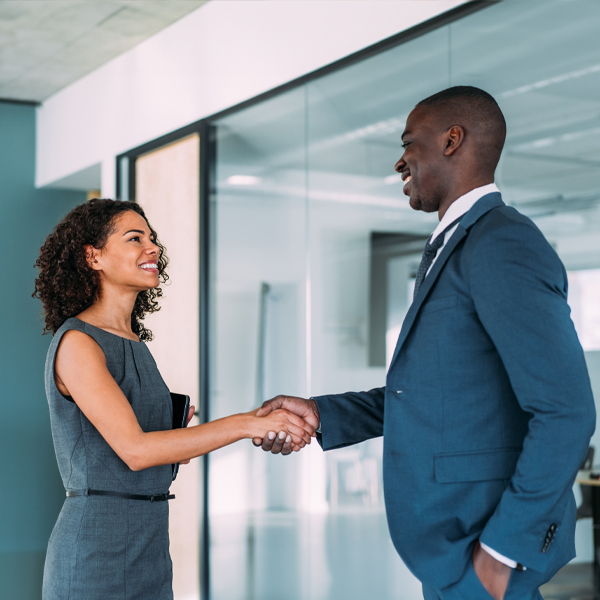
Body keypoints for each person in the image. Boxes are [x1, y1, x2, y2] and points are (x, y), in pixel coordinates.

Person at [253, 86, 596, 600]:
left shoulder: (501, 242)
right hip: (452, 552)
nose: (400, 161)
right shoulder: (453, 247)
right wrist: (322, 414)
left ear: (452, 140)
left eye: (409, 143)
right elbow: (436, 395)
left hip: (484, 550)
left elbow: (566, 411)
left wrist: (499, 555)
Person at [34, 199, 315, 600]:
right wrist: (246, 424)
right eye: (135, 238)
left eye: (152, 239)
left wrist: (242, 421)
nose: (153, 248)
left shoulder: (135, 344)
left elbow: (158, 453)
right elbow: (135, 451)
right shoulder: (78, 343)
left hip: (149, 543)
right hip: (96, 548)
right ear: (93, 256)